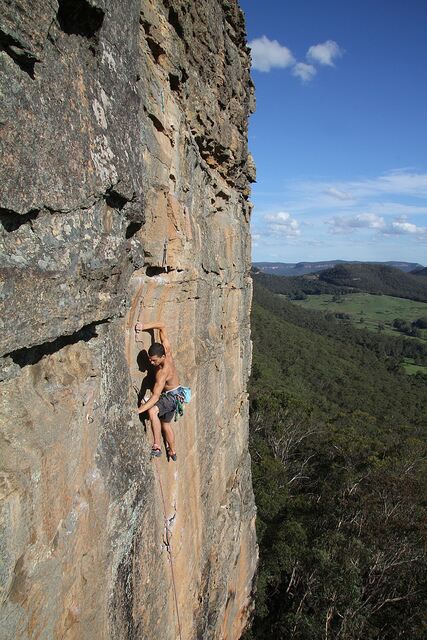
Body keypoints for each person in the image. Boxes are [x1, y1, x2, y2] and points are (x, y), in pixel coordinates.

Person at [135, 321, 181, 460]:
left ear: (161, 357)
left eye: (154, 361)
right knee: (165, 424)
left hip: (171, 397)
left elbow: (155, 397)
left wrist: (139, 410)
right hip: (178, 394)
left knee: (152, 411)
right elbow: (162, 325)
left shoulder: (163, 372)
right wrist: (143, 327)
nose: (151, 363)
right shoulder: (166, 350)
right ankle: (172, 451)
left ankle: (157, 446)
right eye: (150, 360)